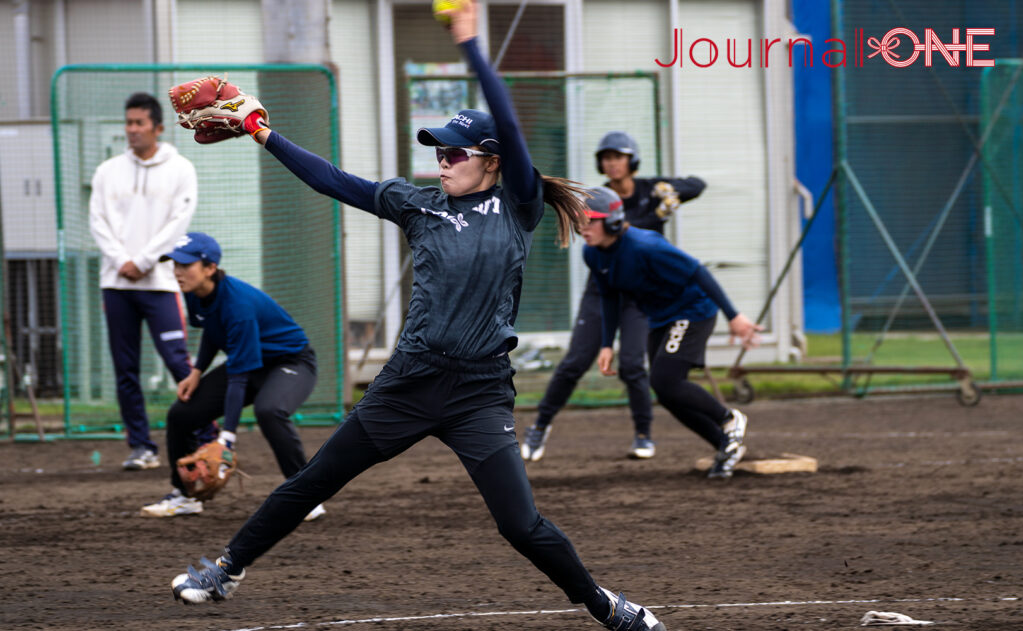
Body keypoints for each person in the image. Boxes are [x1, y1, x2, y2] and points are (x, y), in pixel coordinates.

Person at [168, 3, 665, 629]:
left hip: (479, 393)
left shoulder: (518, 206)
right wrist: (262, 131)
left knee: (520, 524)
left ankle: (607, 607)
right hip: (409, 382)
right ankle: (224, 572)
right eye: (438, 149)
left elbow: (509, 123)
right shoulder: (416, 204)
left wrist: (472, 45)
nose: (442, 159)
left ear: (488, 159)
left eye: (455, 153)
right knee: (313, 481)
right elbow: (333, 181)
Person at [522, 131, 705, 462]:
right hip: (602, 290)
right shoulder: (601, 199)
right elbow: (620, 232)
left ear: (631, 160)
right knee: (575, 362)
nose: (612, 163)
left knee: (634, 365)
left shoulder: (652, 190)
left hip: (637, 295)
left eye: (618, 157)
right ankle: (539, 427)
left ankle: (643, 434)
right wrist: (656, 216)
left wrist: (673, 195)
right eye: (606, 158)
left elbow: (697, 184)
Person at [140, 232, 325, 522]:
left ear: (210, 268)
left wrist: (226, 438)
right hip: (251, 362)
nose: (177, 271)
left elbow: (238, 378)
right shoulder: (193, 292)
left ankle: (306, 497)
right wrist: (196, 372)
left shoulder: (238, 304)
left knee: (269, 410)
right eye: (174, 264)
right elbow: (212, 332)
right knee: (180, 414)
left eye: (185, 265)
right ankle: (184, 496)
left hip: (291, 362)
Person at [580, 186, 762, 479]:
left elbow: (698, 272)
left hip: (692, 311)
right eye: (580, 219)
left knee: (666, 379)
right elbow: (609, 297)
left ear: (613, 220)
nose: (582, 227)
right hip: (662, 318)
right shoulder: (593, 254)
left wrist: (734, 316)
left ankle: (730, 420)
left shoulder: (644, 246)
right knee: (666, 392)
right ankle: (726, 445)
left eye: (591, 220)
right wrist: (606, 344)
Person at [88, 92, 215, 471]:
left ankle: (210, 439)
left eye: (139, 123)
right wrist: (121, 262)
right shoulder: (107, 171)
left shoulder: (181, 169)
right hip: (117, 285)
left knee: (179, 362)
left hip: (160, 283)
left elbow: (178, 223)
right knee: (125, 369)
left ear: (158, 127)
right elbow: (97, 221)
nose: (132, 130)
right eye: (128, 123)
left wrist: (143, 261)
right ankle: (141, 447)